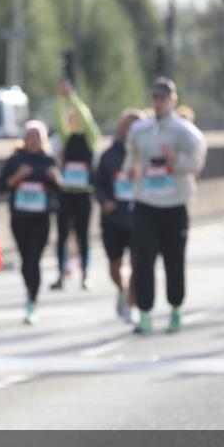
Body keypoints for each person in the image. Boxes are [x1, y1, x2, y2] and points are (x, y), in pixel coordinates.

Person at [124, 77, 207, 335]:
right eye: (155, 98)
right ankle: (145, 312)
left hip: (174, 203)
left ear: (173, 100)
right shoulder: (139, 129)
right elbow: (130, 158)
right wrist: (130, 171)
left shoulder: (185, 131)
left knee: (174, 260)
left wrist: (176, 159)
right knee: (143, 260)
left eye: (163, 98)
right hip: (146, 202)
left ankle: (175, 310)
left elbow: (196, 163)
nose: (158, 103)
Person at [0, 120, 62, 324]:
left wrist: (56, 179)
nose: (34, 141)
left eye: (38, 137)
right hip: (20, 218)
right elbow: (1, 187)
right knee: (26, 260)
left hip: (41, 219)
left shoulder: (49, 160)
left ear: (43, 140)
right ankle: (29, 290)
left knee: (34, 259)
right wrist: (17, 177)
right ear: (24, 139)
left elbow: (61, 190)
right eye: (30, 136)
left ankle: (32, 301)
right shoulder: (15, 160)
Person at [94, 108, 144, 322]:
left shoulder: (146, 153)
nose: (129, 130)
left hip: (138, 216)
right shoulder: (108, 155)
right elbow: (97, 184)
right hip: (113, 218)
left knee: (136, 262)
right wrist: (105, 202)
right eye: (126, 126)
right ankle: (122, 290)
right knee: (114, 265)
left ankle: (131, 302)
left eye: (135, 126)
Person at [50, 81, 99, 290]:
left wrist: (73, 98)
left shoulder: (91, 139)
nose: (74, 120)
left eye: (76, 117)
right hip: (66, 194)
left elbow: (87, 121)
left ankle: (85, 274)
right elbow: (60, 120)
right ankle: (61, 274)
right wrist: (60, 99)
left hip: (83, 194)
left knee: (83, 236)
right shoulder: (66, 138)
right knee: (61, 236)